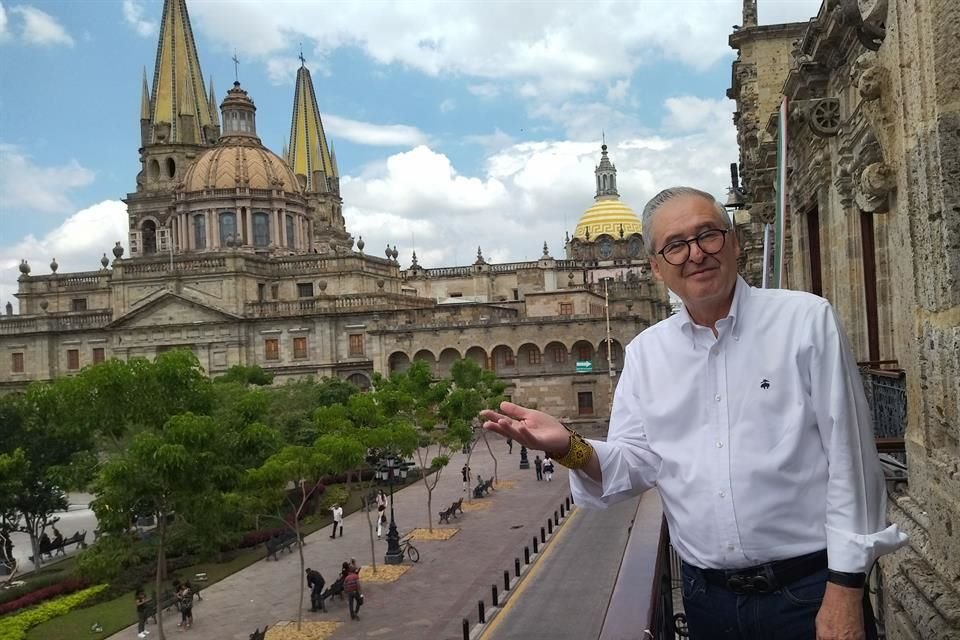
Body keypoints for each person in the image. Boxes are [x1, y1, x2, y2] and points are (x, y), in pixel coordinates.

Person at [480, 186, 907, 640]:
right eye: (676, 245)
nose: (696, 254)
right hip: (708, 603)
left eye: (709, 235)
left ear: (734, 242)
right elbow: (634, 463)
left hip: (810, 591)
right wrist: (568, 445)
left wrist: (845, 588)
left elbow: (852, 463)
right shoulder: (647, 353)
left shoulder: (805, 322)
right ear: (656, 267)